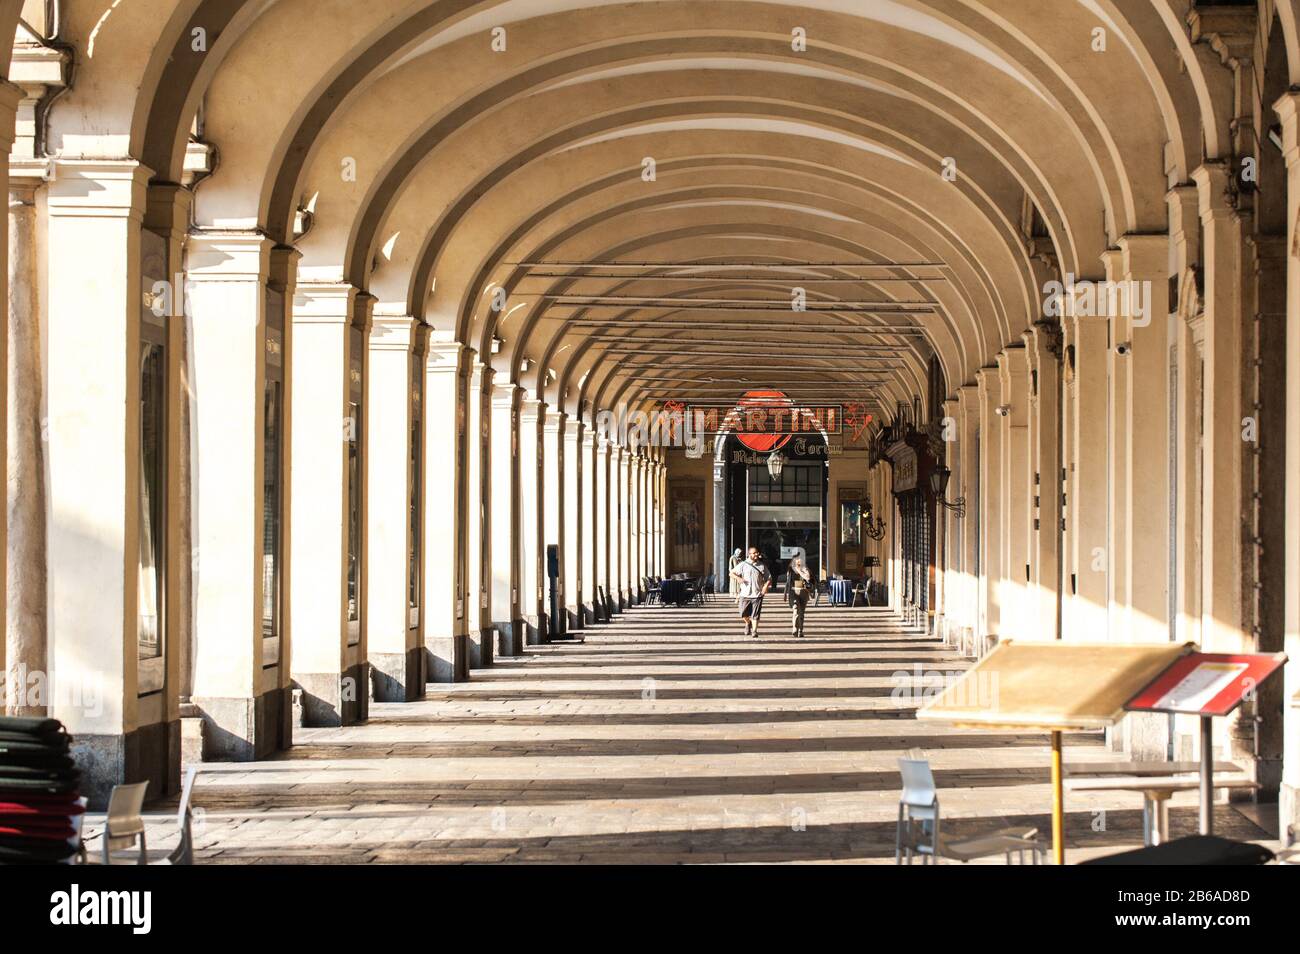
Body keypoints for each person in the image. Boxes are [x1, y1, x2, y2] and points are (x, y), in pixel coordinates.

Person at [729, 546, 772, 638]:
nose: (757, 554)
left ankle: (755, 631)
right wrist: (738, 578)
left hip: (757, 594)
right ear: (750, 554)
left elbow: (769, 578)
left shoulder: (762, 565)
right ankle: (748, 623)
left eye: (757, 553)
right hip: (745, 594)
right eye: (755, 553)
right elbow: (731, 573)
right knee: (743, 613)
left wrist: (765, 586)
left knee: (755, 614)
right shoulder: (743, 565)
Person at [784, 556, 812, 638]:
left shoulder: (805, 568)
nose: (798, 562)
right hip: (793, 592)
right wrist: (785, 594)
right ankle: (795, 629)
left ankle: (801, 630)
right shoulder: (790, 570)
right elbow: (787, 582)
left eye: (800, 560)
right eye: (796, 560)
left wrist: (799, 571)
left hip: (803, 592)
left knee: (801, 612)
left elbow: (808, 578)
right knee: (795, 610)